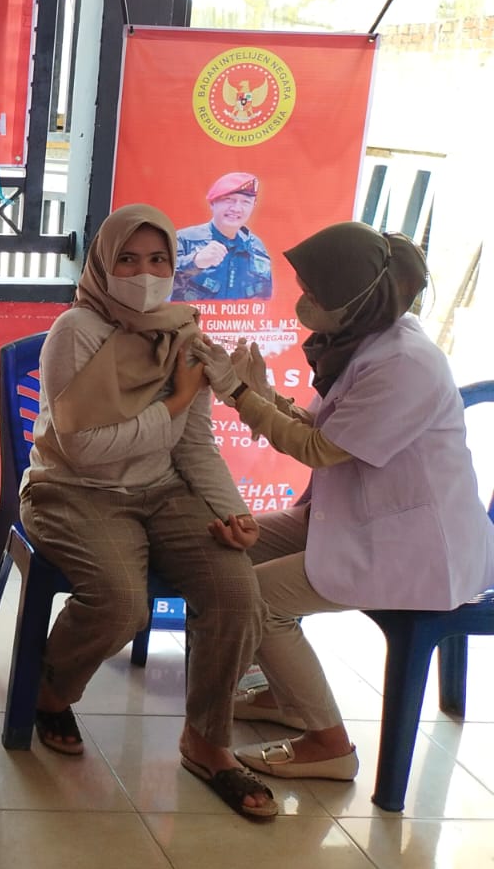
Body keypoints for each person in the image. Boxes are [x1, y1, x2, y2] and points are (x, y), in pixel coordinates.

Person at [193, 222, 494, 782]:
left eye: (316, 291)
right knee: (224, 551)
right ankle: (286, 696)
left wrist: (239, 394)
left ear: (358, 299)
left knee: (259, 599)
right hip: (362, 518)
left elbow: (319, 449)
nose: (304, 299)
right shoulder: (366, 343)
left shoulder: (405, 364)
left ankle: (329, 742)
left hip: (415, 547)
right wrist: (260, 393)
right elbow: (322, 425)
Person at [19, 203, 276, 820]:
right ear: (103, 266)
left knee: (237, 592)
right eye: (128, 260)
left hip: (160, 490)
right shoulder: (76, 331)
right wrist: (175, 402)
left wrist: (234, 511)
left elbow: (195, 445)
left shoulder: (181, 332)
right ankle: (51, 690)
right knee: (120, 602)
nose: (144, 273)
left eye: (158, 259)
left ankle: (207, 741)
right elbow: (83, 448)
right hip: (72, 490)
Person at [173, 172, 273, 302]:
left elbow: (265, 302)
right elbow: (157, 285)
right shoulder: (185, 240)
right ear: (212, 202)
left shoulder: (256, 247)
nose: (236, 208)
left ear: (253, 206)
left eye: (246, 202)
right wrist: (195, 262)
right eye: (229, 200)